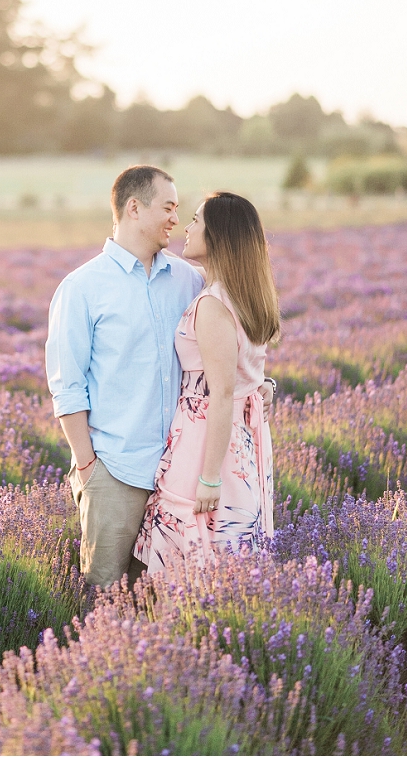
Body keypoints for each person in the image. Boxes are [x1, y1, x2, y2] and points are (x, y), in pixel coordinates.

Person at [45, 165, 203, 588]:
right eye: (168, 207)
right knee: (105, 595)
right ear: (134, 208)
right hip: (115, 472)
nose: (176, 218)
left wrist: (259, 382)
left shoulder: (189, 280)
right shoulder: (82, 287)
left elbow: (221, 352)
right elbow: (67, 387)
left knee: (166, 600)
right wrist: (88, 467)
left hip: (178, 474)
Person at [134, 192, 278, 571]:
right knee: (229, 560)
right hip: (242, 442)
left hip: (207, 447)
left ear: (217, 235)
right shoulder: (244, 297)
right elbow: (245, 374)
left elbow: (222, 393)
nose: (187, 226)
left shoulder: (213, 304)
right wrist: (265, 385)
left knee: (197, 555)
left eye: (196, 220)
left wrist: (209, 478)